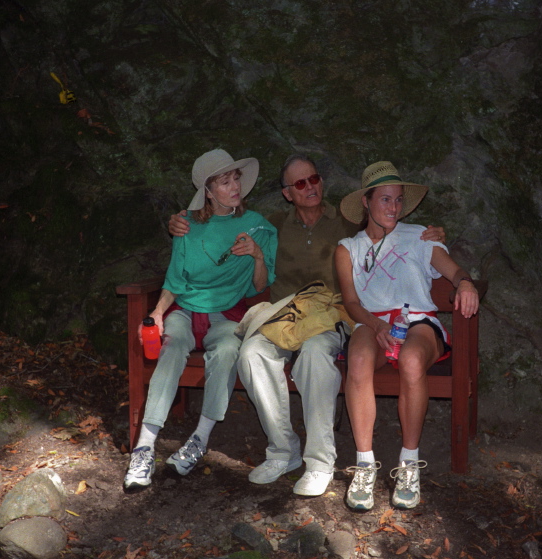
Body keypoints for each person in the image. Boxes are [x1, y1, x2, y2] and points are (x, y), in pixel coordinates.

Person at [168, 155, 445, 497]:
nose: (310, 187)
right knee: (252, 353)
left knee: (315, 353)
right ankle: (283, 451)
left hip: (331, 317)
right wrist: (180, 222)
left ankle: (319, 462)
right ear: (287, 193)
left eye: (313, 179)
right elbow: (220, 229)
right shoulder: (272, 226)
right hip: (284, 317)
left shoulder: (345, 224)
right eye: (300, 184)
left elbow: (386, 230)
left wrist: (434, 234)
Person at [124, 149, 278, 490]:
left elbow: (261, 285)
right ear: (209, 191)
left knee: (226, 351)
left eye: (236, 177)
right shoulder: (187, 226)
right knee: (173, 345)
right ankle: (145, 445)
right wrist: (156, 314)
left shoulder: (258, 226)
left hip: (227, 314)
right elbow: (175, 281)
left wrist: (256, 255)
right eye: (225, 181)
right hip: (187, 309)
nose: (234, 185)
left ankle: (199, 439)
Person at [334, 161, 479, 511]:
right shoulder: (347, 248)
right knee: (358, 358)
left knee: (413, 360)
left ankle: (409, 463)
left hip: (418, 322)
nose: (393, 208)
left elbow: (453, 269)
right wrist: (377, 326)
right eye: (385, 199)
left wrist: (465, 282)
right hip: (372, 323)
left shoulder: (420, 236)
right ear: (366, 202)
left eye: (398, 200)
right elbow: (351, 303)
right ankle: (365, 464)